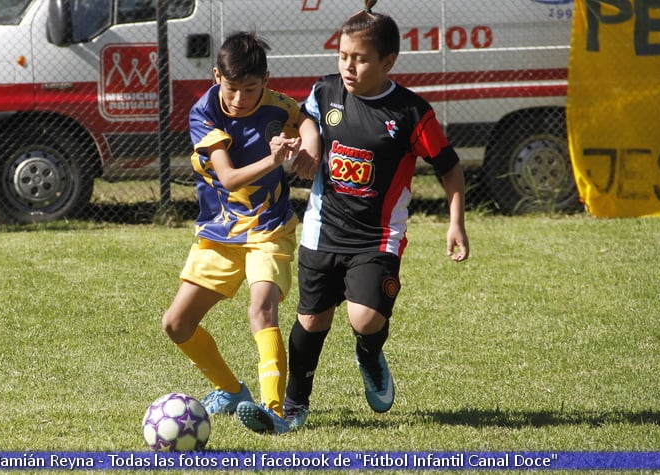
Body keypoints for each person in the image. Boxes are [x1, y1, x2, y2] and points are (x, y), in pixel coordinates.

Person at [283, 0, 470, 430]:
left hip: (377, 236)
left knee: (365, 319)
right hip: (322, 228)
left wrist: (455, 220)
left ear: (388, 62)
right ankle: (295, 405)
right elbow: (307, 119)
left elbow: (450, 168)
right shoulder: (326, 91)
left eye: (361, 59)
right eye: (343, 56)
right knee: (311, 321)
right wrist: (309, 143)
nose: (349, 67)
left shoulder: (410, 112)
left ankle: (368, 353)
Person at [161, 31, 304, 435]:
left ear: (267, 81)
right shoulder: (204, 112)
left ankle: (275, 411)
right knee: (176, 324)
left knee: (261, 308)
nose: (240, 99)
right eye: (232, 88)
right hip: (220, 234)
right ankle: (231, 390)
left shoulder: (277, 106)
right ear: (215, 77)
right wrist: (275, 159)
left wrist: (306, 147)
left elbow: (305, 118)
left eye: (251, 89)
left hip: (269, 229)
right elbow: (227, 176)